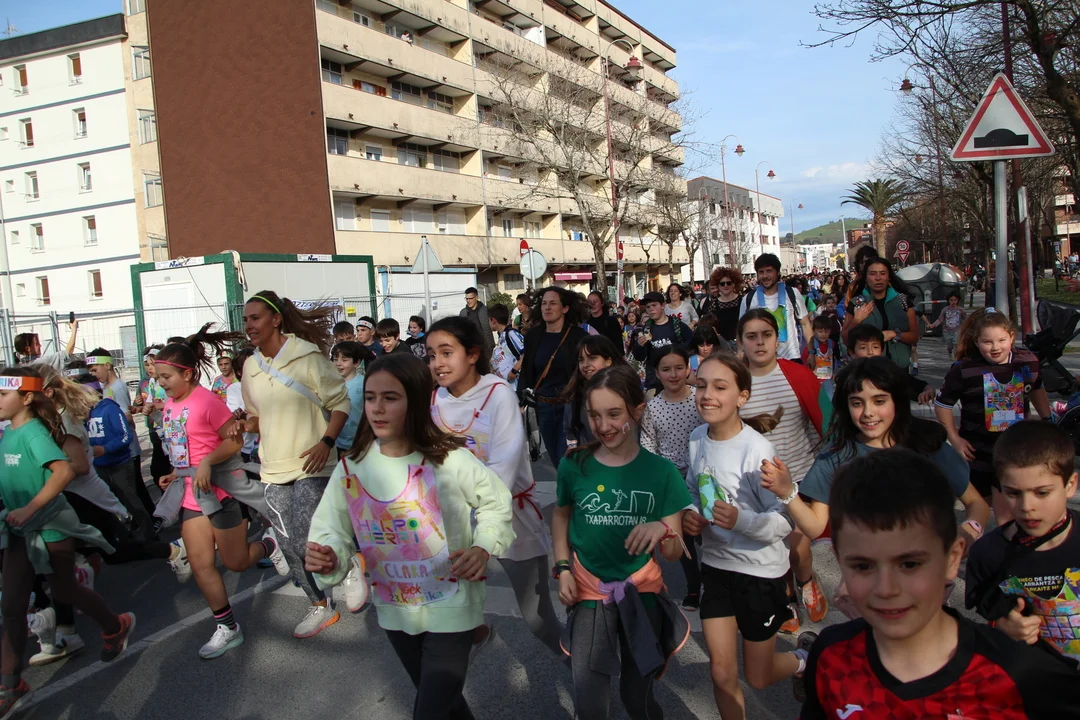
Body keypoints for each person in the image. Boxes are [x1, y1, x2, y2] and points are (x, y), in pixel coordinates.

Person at [305, 353, 514, 720]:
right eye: (371, 397)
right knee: (447, 707)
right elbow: (330, 528)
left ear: (415, 401)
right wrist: (330, 556)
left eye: (390, 398)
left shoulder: (449, 459)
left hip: (452, 605)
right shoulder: (351, 468)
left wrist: (483, 547)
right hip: (396, 609)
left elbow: (496, 503)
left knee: (430, 711)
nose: (377, 409)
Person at [796, 449, 1080, 717]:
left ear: (952, 559)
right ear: (840, 560)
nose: (886, 588)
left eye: (910, 564)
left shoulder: (1022, 675)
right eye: (862, 566)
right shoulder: (831, 657)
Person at [765, 357, 990, 615]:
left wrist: (969, 531)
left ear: (897, 401)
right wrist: (788, 493)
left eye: (879, 401)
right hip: (868, 588)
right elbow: (815, 526)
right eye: (857, 403)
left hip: (926, 581)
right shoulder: (836, 455)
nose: (868, 412)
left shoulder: (927, 444)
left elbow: (977, 504)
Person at [553, 365, 691, 720]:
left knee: (636, 698)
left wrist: (663, 530)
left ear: (638, 410)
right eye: (594, 415)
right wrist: (563, 568)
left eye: (614, 414)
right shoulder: (574, 465)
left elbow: (673, 553)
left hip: (642, 593)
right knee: (589, 702)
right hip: (588, 590)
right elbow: (561, 516)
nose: (603, 425)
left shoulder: (662, 473)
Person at [0, 368, 136, 714]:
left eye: (2, 395)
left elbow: (62, 471)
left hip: (49, 525)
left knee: (65, 590)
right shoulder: (9, 433)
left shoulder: (33, 433)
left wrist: (30, 507)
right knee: (12, 606)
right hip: (18, 530)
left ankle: (115, 626)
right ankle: (11, 684)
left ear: (26, 398)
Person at [426, 317, 561, 655]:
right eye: (431, 355)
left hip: (510, 517)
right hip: (455, 523)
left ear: (473, 354)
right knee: (446, 604)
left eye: (446, 353)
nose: (437, 363)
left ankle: (584, 672)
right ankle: (476, 632)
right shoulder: (433, 401)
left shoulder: (498, 395)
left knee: (538, 619)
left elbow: (502, 470)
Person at [152, 326, 289, 659]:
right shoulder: (170, 404)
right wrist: (177, 471)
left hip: (223, 494)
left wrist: (207, 462)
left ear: (187, 373)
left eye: (166, 376)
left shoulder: (208, 402)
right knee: (201, 565)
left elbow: (234, 441)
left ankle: (269, 545)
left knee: (236, 562)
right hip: (192, 496)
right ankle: (228, 627)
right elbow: (185, 447)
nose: (161, 382)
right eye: (159, 376)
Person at [240, 291, 352, 638]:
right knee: (288, 545)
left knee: (305, 537)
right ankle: (320, 605)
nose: (249, 326)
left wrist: (326, 442)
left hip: (312, 462)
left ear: (276, 319)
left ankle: (347, 562)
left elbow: (340, 403)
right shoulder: (250, 367)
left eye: (256, 318)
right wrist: (242, 424)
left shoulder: (307, 356)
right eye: (245, 320)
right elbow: (257, 418)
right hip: (273, 467)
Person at [737, 309, 831, 634]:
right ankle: (787, 597)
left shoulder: (799, 375)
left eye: (766, 335)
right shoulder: (734, 383)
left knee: (798, 547)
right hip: (756, 485)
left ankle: (805, 581)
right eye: (751, 336)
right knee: (773, 549)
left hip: (801, 478)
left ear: (778, 339)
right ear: (741, 342)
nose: (759, 342)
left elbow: (826, 426)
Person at [965, 421, 1080, 665]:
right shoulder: (987, 554)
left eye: (1042, 493)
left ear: (1070, 485)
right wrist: (1002, 626)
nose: (1027, 507)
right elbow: (987, 609)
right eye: (1014, 493)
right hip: (1030, 676)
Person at [934, 308, 1050, 521]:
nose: (995, 348)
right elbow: (942, 404)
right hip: (977, 450)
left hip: (1014, 449)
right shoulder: (964, 369)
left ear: (1011, 337)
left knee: (1007, 512)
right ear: (976, 341)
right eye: (987, 342)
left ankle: (1008, 539)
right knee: (979, 508)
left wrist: (1046, 419)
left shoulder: (1027, 362)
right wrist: (954, 439)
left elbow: (1036, 388)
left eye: (1001, 340)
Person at [639, 346, 703, 610]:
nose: (673, 374)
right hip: (671, 481)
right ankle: (693, 586)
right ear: (657, 373)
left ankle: (715, 583)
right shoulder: (652, 408)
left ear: (688, 369)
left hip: (704, 478)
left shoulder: (701, 399)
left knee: (709, 533)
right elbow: (648, 447)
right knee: (683, 536)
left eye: (679, 368)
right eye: (666, 369)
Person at [85, 361, 156, 543]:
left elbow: (126, 436)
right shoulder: (84, 415)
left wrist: (105, 449)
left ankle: (149, 536)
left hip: (119, 465)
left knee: (132, 501)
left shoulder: (110, 408)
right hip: (99, 467)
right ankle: (125, 536)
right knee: (111, 504)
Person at [517, 287, 588, 469]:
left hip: (569, 408)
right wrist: (521, 401)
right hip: (543, 408)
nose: (547, 307)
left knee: (567, 460)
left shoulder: (578, 336)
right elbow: (527, 370)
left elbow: (587, 370)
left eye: (553, 303)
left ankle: (571, 488)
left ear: (565, 308)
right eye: (544, 303)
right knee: (556, 460)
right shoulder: (533, 336)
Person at [841, 257, 918, 372]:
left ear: (889, 276)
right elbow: (845, 339)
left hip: (898, 370)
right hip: (867, 370)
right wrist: (856, 321)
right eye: (872, 274)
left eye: (882, 273)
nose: (878, 278)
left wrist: (894, 334)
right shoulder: (857, 303)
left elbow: (914, 336)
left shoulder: (903, 301)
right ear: (866, 277)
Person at [739, 254, 811, 361]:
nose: (765, 276)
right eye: (761, 272)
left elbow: (805, 324)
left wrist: (811, 352)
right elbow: (741, 330)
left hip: (791, 358)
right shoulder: (748, 299)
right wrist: (741, 354)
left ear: (777, 272)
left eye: (769, 271)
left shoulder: (792, 294)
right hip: (761, 360)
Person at [562, 336, 629, 448]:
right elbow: (569, 428)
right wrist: (573, 448)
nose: (586, 364)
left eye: (592, 358)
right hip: (591, 454)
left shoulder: (626, 390)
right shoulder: (576, 393)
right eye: (581, 360)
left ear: (608, 361)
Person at [848, 324, 935, 404]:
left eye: (875, 347)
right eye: (863, 347)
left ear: (881, 350)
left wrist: (927, 390)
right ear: (852, 352)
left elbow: (917, 385)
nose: (870, 352)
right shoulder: (847, 378)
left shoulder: (889, 373)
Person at [632, 291, 691, 391]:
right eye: (648, 307)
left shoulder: (676, 325)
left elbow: (692, 343)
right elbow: (639, 357)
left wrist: (675, 350)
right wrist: (639, 345)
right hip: (654, 382)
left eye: (654, 305)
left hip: (676, 379)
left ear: (663, 305)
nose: (651, 309)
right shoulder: (646, 329)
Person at [134, 345, 172, 492]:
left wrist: (158, 406)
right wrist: (141, 408)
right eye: (147, 364)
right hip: (159, 430)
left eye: (153, 364)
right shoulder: (151, 382)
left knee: (165, 468)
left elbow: (174, 403)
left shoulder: (168, 382)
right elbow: (150, 402)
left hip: (171, 430)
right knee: (158, 470)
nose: (150, 368)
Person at [330, 341, 375, 454]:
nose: (338, 364)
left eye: (344, 360)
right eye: (335, 359)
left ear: (356, 363)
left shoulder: (365, 384)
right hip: (334, 444)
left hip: (358, 444)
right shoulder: (329, 384)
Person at [802, 315, 844, 398]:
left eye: (826, 331)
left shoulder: (831, 343)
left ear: (830, 331)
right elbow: (805, 361)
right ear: (814, 331)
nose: (823, 334)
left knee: (829, 399)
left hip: (827, 378)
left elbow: (832, 359)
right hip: (814, 379)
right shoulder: (810, 346)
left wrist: (833, 372)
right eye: (820, 332)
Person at [14, 319, 79, 368]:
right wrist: (74, 329)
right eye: (36, 344)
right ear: (28, 348)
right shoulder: (41, 362)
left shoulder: (19, 368)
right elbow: (67, 353)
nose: (40, 345)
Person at [488, 303, 524, 389]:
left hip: (516, 387)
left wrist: (514, 371)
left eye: (488, 320)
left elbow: (527, 353)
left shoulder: (511, 334)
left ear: (493, 320)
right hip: (506, 388)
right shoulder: (502, 336)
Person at [709, 268, 743, 344]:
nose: (725, 286)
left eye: (729, 283)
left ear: (734, 284)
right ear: (718, 286)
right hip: (721, 344)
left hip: (741, 342)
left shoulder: (743, 300)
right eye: (722, 284)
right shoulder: (713, 304)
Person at [927, 292, 966, 358]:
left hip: (957, 330)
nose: (953, 302)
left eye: (955, 300)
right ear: (948, 301)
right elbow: (940, 319)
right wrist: (933, 325)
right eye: (951, 300)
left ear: (958, 300)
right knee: (949, 345)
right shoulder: (945, 309)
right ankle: (950, 351)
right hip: (947, 331)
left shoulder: (960, 310)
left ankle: (956, 356)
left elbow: (965, 318)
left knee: (956, 343)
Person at [460, 286, 494, 360]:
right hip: (470, 348)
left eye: (470, 298)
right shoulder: (463, 313)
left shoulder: (485, 310)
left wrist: (491, 345)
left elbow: (492, 326)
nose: (468, 301)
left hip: (486, 347)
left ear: (476, 297)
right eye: (466, 299)